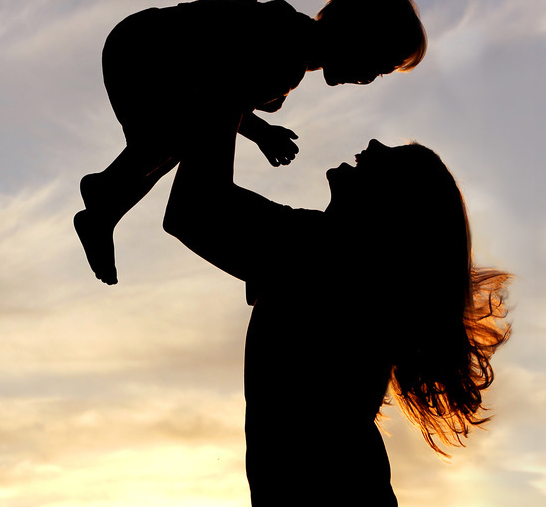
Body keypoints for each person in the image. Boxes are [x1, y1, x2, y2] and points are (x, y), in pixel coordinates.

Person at [161, 115, 511, 506]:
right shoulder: (335, 256)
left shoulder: (323, 252)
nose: (376, 144)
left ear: (393, 210)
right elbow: (195, 209)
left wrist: (226, 87)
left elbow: (193, 209)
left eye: (392, 160)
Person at [76, 0, 427, 284]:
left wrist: (262, 132)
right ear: (357, 33)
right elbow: (221, 93)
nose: (370, 78)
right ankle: (105, 192)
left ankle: (105, 200)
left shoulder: (289, 54)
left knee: (178, 137)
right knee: (178, 136)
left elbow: (223, 97)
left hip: (146, 51)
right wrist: (260, 133)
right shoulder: (284, 46)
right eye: (378, 65)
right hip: (144, 52)